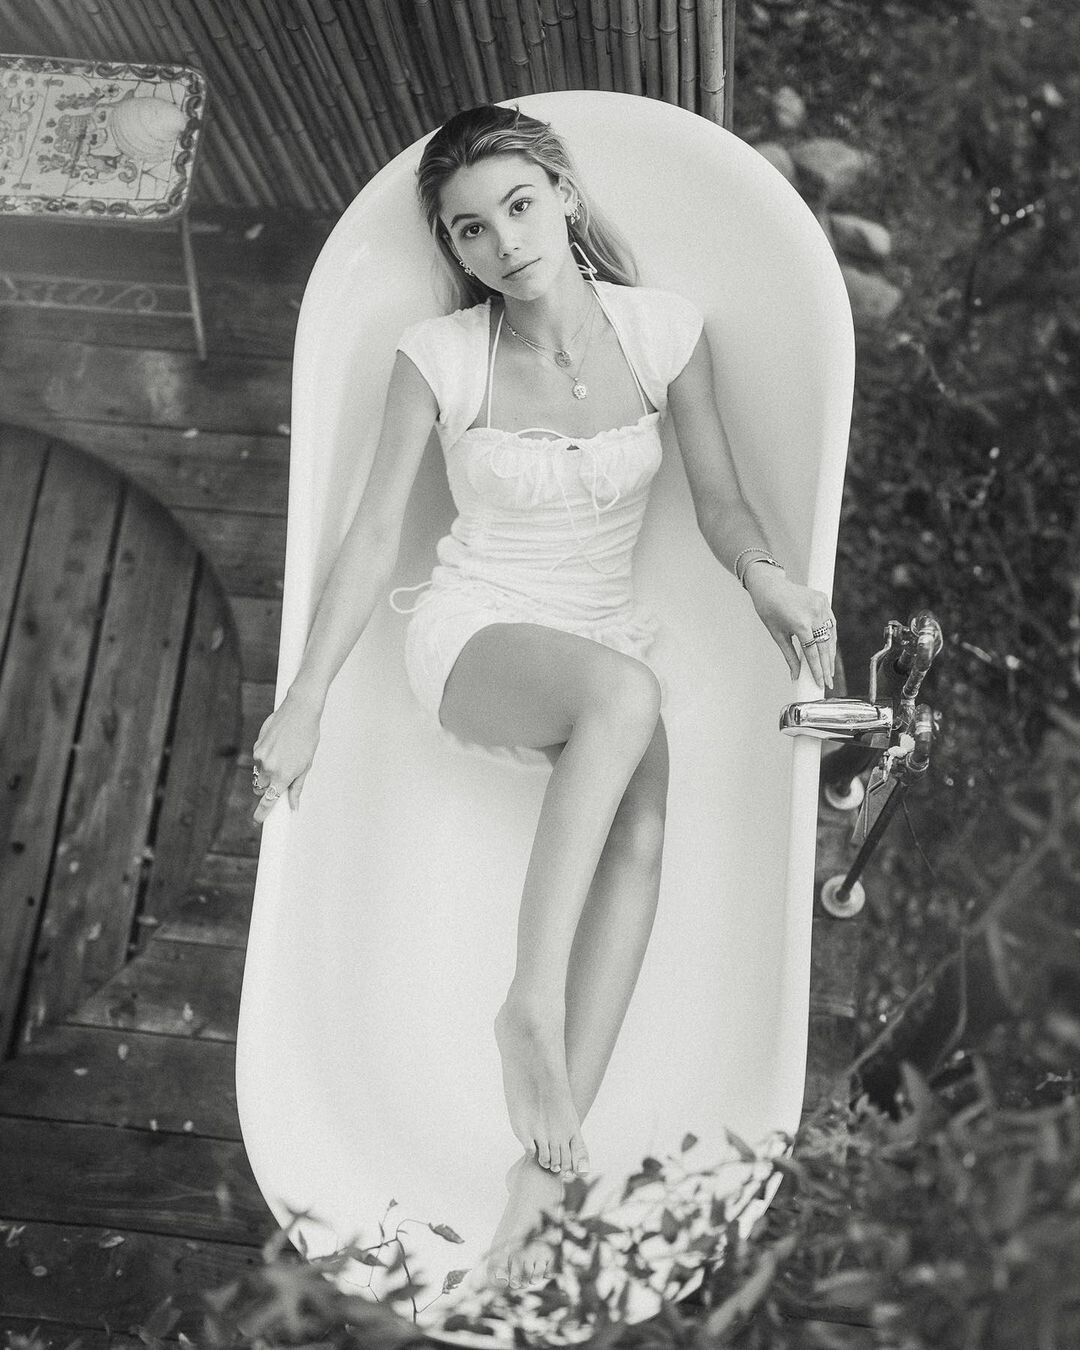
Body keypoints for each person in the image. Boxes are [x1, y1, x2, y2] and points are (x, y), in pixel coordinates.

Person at [250, 103, 838, 1293]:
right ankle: (528, 1008)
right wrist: (304, 698)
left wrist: (768, 576)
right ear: (455, 248)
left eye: (519, 206)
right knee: (627, 697)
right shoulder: (439, 356)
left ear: (565, 197)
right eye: (471, 229)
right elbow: (370, 537)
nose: (504, 242)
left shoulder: (666, 333)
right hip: (475, 634)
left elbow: (721, 501)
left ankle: (541, 1176)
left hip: (600, 630)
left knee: (647, 821)